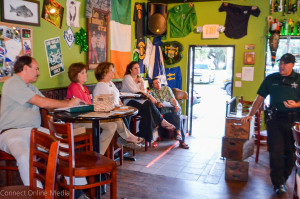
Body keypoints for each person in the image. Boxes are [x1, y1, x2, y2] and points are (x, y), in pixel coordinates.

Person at [0, 56, 88, 199]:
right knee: (24, 156)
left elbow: (49, 104)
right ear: (25, 68)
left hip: (33, 131)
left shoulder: (31, 87)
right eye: (36, 68)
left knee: (64, 148)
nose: (39, 72)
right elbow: (42, 103)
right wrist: (67, 104)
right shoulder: (13, 83)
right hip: (11, 133)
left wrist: (72, 103)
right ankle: (40, 196)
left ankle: (77, 192)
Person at [241, 53, 299, 195]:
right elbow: (260, 98)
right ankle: (278, 183)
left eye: (285, 63)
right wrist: (250, 114)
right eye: (280, 63)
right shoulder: (271, 79)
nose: (282, 65)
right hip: (275, 120)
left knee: (291, 153)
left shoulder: (299, 79)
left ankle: (284, 179)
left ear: (292, 65)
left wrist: (296, 104)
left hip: (294, 121)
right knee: (276, 152)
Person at [66, 62, 143, 154]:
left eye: (85, 72)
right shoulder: (74, 87)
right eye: (82, 73)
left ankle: (98, 154)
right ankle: (126, 138)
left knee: (113, 124)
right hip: (79, 121)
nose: (85, 75)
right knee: (115, 120)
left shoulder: (84, 88)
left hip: (89, 118)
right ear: (75, 75)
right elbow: (82, 107)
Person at [93, 62, 144, 149]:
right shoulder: (101, 86)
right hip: (105, 113)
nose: (113, 72)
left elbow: (118, 98)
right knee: (119, 117)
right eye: (111, 70)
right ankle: (127, 138)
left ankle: (126, 139)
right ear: (105, 72)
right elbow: (106, 105)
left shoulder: (110, 83)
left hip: (115, 110)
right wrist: (121, 109)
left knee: (126, 114)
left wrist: (123, 107)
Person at [120, 61, 175, 142]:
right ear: (130, 70)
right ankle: (159, 123)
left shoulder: (139, 78)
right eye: (135, 68)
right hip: (129, 101)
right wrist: (149, 96)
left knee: (148, 111)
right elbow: (135, 91)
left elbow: (143, 91)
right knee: (149, 104)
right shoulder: (127, 77)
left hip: (139, 101)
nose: (137, 69)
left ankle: (146, 137)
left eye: (138, 67)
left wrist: (142, 82)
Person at [150, 78, 189, 149]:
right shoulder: (152, 91)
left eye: (158, 82)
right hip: (163, 111)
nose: (158, 84)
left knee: (177, 113)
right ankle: (180, 137)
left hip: (172, 107)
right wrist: (158, 104)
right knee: (178, 117)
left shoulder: (166, 88)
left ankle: (178, 134)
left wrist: (176, 105)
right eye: (155, 83)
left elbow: (173, 99)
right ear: (152, 85)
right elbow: (154, 102)